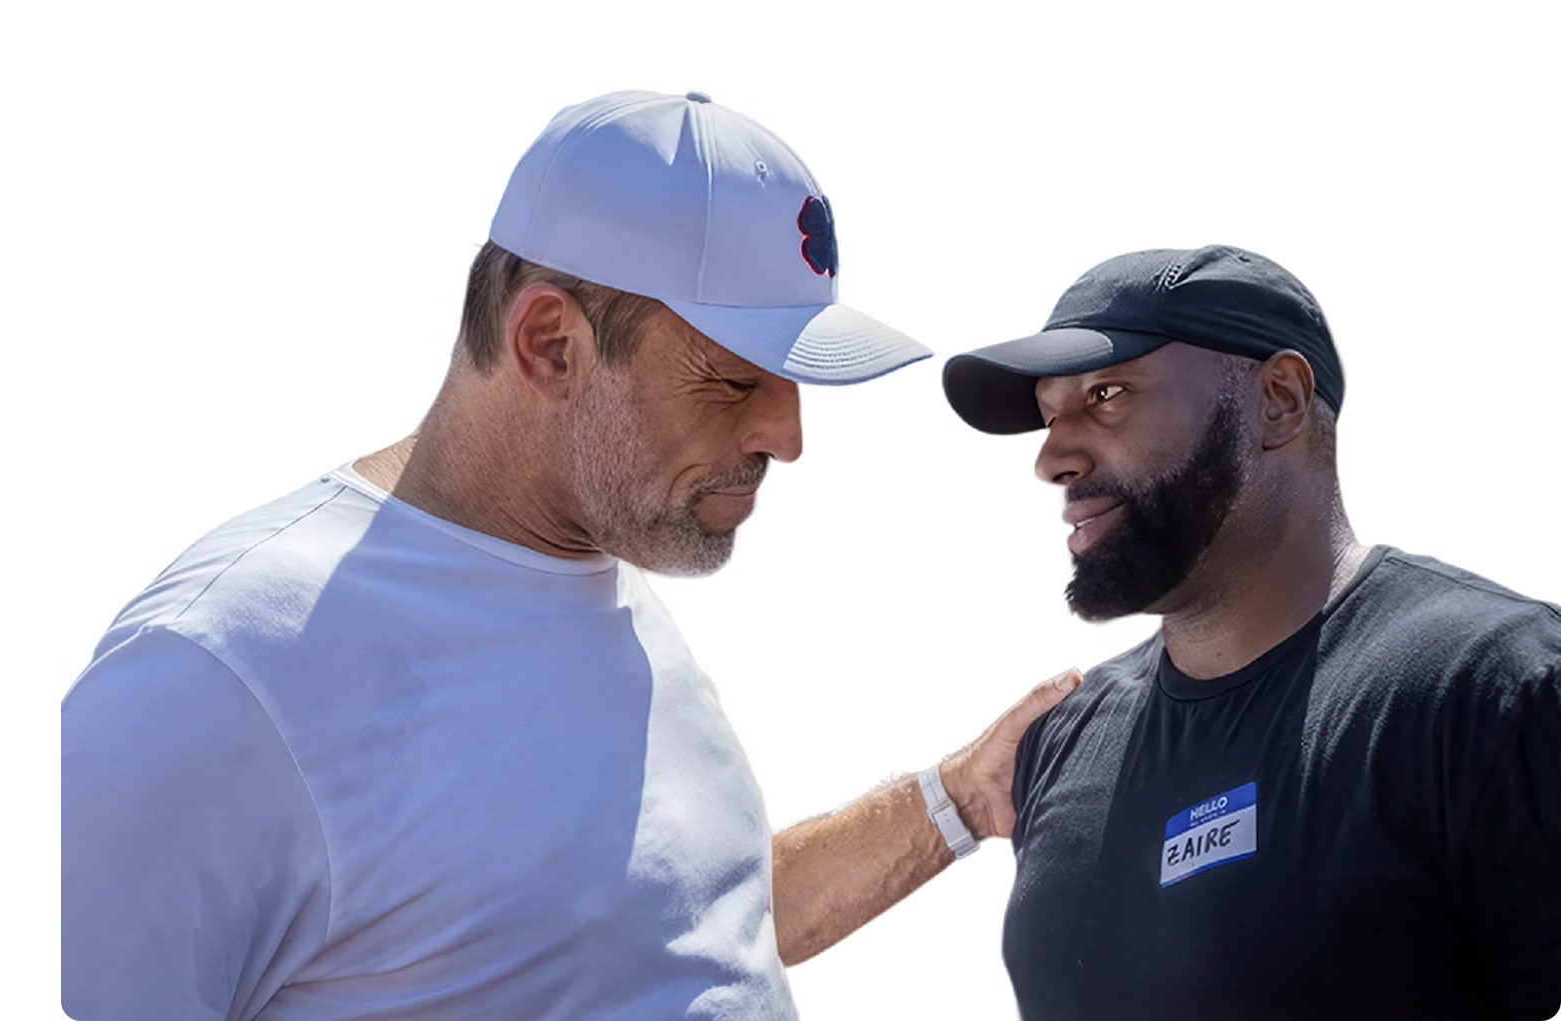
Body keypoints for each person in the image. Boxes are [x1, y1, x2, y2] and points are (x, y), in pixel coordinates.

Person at [61, 88, 1079, 1020]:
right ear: (550, 344)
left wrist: (951, 801)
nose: (791, 438)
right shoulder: (215, 674)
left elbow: (670, 932)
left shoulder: (607, 570)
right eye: (734, 380)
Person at [941, 244, 1561, 1020]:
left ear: (1278, 400)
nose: (1050, 460)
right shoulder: (1067, 739)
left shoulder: (1492, 691)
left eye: (1106, 394)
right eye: (1047, 416)